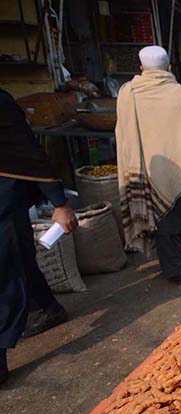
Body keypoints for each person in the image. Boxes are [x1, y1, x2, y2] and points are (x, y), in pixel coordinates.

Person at [116, 46, 181, 286]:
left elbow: (124, 135)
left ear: (141, 68)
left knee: (166, 222)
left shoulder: (128, 94)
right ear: (169, 68)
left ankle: (176, 272)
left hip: (152, 171)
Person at [0, 88, 78, 383]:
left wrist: (59, 203)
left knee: (5, 270)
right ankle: (48, 307)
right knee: (18, 258)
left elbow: (28, 152)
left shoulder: (2, 103)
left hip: (4, 199)